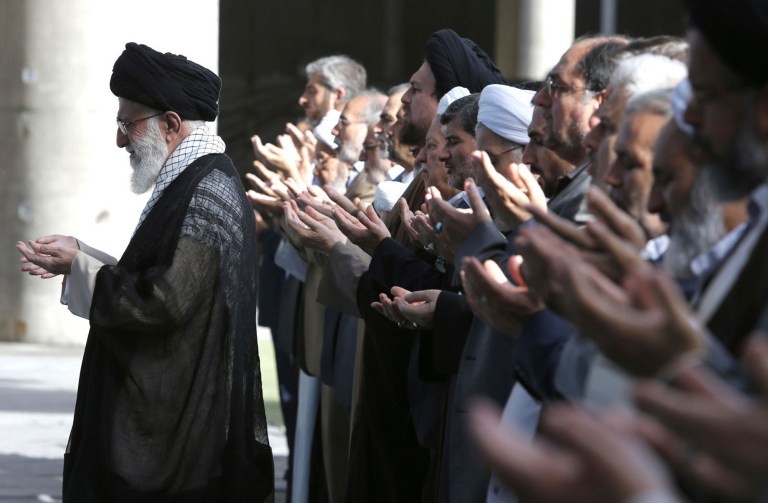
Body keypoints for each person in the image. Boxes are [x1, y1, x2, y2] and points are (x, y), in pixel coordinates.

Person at [16, 42, 273, 502]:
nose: (120, 140)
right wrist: (83, 255)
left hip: (180, 444)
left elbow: (165, 301)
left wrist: (79, 265)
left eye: (127, 124)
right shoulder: (191, 177)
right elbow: (162, 277)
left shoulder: (207, 187)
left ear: (171, 125)